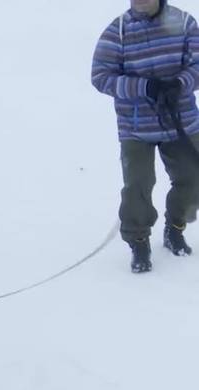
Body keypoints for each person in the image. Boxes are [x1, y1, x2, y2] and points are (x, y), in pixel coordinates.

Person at [92, 0, 199, 273]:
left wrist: (180, 83)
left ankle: (175, 226)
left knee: (193, 179)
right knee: (138, 186)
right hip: (136, 126)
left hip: (182, 122)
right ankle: (139, 241)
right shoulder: (118, 32)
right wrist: (144, 86)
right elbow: (100, 76)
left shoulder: (185, 24)